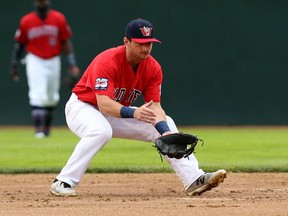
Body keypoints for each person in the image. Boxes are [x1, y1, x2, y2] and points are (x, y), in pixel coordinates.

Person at [50, 18, 226, 196]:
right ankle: (64, 181)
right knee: (101, 131)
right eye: (141, 43)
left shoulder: (153, 68)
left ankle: (194, 179)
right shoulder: (106, 61)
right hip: (82, 107)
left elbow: (156, 107)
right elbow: (103, 104)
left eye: (149, 43)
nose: (146, 48)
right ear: (126, 41)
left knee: (168, 123)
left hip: (116, 111)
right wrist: (134, 112)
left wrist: (165, 132)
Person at [10, 0, 80, 138]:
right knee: (37, 93)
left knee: (51, 96)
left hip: (53, 59)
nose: (41, 2)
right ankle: (39, 130)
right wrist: (14, 63)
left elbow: (65, 41)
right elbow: (20, 44)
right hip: (35, 59)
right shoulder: (27, 20)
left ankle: (46, 129)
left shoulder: (58, 18)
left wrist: (72, 64)